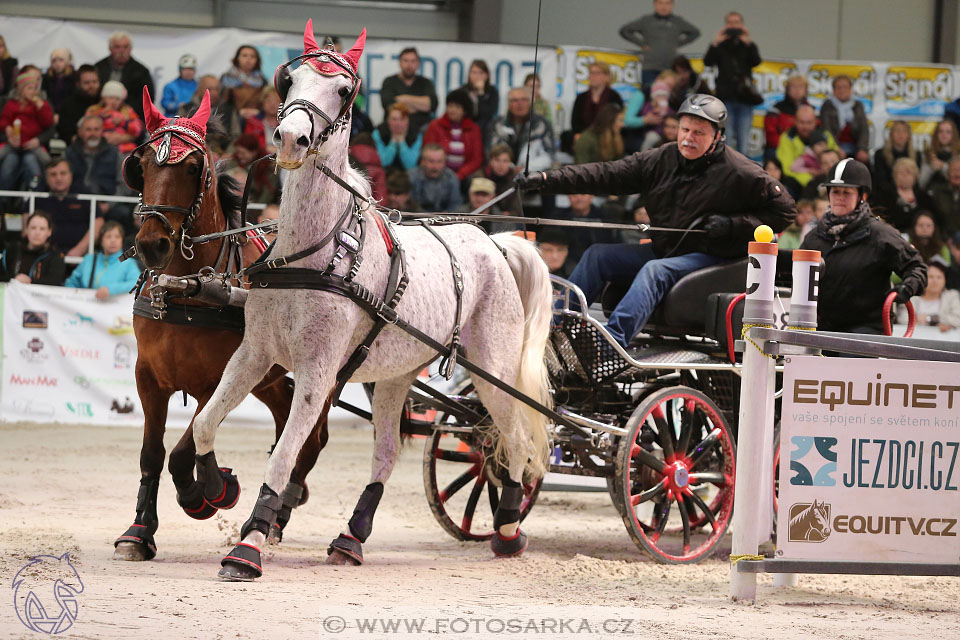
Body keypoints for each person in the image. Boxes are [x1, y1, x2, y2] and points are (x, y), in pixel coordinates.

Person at [516, 94, 795, 347]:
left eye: (699, 132)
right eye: (685, 130)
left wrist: (733, 225)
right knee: (597, 256)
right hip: (667, 249)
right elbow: (604, 173)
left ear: (718, 136)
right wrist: (544, 180)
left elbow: (785, 212)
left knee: (655, 270)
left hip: (711, 257)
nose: (689, 138)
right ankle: (551, 329)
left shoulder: (741, 171)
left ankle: (609, 346)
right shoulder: (660, 159)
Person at [799, 159, 926, 334]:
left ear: (862, 196)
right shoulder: (813, 238)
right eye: (835, 192)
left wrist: (908, 287)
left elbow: (916, 266)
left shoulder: (881, 235)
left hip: (865, 329)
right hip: (822, 327)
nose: (840, 198)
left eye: (847, 192)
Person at [703, 12, 761, 154]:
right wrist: (715, 43)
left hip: (745, 98)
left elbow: (756, 61)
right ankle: (728, 171)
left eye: (736, 22)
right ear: (725, 25)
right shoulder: (720, 45)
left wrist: (749, 43)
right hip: (725, 97)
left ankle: (744, 173)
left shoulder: (746, 45)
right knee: (726, 140)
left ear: (742, 25)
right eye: (730, 22)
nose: (733, 26)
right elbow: (707, 62)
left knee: (744, 141)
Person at [618, 0, 701, 87]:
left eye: (667, 3)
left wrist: (677, 44)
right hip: (650, 67)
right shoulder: (646, 20)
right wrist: (641, 44)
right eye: (660, 3)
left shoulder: (678, 21)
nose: (663, 6)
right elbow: (625, 30)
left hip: (671, 66)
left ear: (672, 5)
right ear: (655, 4)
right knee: (649, 94)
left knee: (671, 95)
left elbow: (695, 32)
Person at [0, 69, 54, 192]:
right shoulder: (12, 104)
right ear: (21, 90)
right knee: (6, 162)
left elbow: (48, 123)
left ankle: (42, 188)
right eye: (29, 88)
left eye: (35, 88)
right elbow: (4, 120)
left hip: (32, 144)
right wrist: (8, 130)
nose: (33, 92)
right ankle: (3, 198)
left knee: (46, 162)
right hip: (13, 143)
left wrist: (41, 107)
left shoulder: (41, 104)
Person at [35, 158, 102, 257]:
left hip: (82, 255)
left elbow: (98, 222)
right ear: (46, 178)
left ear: (71, 175)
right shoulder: (37, 197)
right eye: (53, 174)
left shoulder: (84, 194)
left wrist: (80, 249)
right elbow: (28, 226)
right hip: (45, 255)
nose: (58, 178)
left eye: (63, 173)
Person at [65, 220, 141, 300]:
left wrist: (111, 289)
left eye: (117, 237)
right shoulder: (89, 260)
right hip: (85, 309)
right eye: (108, 236)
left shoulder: (128, 263)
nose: (113, 240)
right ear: (101, 241)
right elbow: (71, 282)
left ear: (122, 240)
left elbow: (138, 284)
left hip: (116, 311)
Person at [487, 88, 555, 176]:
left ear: (530, 103)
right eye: (515, 100)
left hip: (533, 174)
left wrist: (526, 167)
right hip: (502, 174)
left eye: (524, 100)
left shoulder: (542, 125)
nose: (520, 104)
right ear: (509, 104)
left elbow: (549, 156)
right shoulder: (497, 124)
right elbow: (492, 152)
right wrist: (509, 167)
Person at [423, 89, 483, 183]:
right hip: (438, 172)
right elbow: (427, 152)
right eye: (450, 106)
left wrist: (460, 175)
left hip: (464, 176)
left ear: (465, 111)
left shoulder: (474, 129)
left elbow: (476, 160)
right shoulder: (435, 125)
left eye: (457, 107)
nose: (453, 110)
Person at [94, 31, 154, 120]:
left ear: (130, 49)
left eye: (125, 47)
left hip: (130, 118)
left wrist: (123, 111)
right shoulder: (98, 68)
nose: (122, 51)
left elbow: (148, 100)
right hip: (100, 116)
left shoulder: (141, 71)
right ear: (110, 48)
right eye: (117, 47)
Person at [379, 47, 438, 137]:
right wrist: (420, 105)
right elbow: (388, 104)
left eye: (413, 61)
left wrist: (403, 99)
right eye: (406, 61)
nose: (409, 65)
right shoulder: (390, 81)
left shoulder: (425, 82)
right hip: (394, 129)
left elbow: (432, 104)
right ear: (400, 62)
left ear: (418, 63)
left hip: (421, 129)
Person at [776, 104, 838, 188]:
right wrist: (811, 180)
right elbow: (786, 169)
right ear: (795, 121)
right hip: (798, 183)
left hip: (826, 179)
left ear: (815, 121)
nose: (805, 127)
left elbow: (835, 161)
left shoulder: (825, 135)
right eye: (802, 122)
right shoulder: (787, 138)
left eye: (809, 122)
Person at [0, 211, 65, 285]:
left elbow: (54, 281)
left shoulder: (55, 256)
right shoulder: (12, 250)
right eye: (33, 228)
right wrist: (14, 279)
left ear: (49, 232)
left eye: (42, 229)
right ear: (27, 229)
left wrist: (29, 281)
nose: (37, 233)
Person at [874, 157, 937, 232]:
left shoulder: (924, 197)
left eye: (908, 172)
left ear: (915, 176)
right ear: (895, 176)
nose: (904, 176)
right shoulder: (884, 195)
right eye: (901, 173)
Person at [819, 75, 870, 164]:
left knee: (864, 162)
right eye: (838, 87)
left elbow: (864, 129)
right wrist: (835, 148)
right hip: (835, 147)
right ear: (833, 90)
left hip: (855, 148)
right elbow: (826, 130)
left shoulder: (858, 105)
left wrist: (862, 149)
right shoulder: (827, 105)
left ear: (851, 89)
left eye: (845, 87)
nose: (842, 90)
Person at [897, 260, 960, 331]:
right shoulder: (911, 298)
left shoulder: (952, 296)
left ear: (945, 280)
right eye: (931, 277)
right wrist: (939, 323)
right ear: (923, 279)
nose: (935, 281)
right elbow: (903, 319)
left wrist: (930, 318)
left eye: (939, 277)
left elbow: (957, 319)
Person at [64, 114, 118, 196]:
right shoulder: (69, 153)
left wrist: (109, 204)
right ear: (80, 132)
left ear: (102, 131)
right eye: (88, 129)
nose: (93, 133)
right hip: (75, 201)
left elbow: (123, 184)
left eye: (96, 129)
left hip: (107, 201)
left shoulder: (115, 153)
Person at [85, 80, 143, 154]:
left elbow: (137, 130)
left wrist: (123, 123)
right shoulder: (93, 111)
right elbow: (85, 127)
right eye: (110, 98)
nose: (114, 101)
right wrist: (99, 117)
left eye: (117, 99)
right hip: (99, 148)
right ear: (103, 98)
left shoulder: (128, 112)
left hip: (125, 149)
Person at [872, 120, 922, 202]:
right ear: (891, 134)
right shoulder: (880, 154)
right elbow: (880, 181)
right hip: (886, 194)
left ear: (909, 135)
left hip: (911, 193)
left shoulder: (917, 155)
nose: (900, 134)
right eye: (897, 131)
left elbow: (916, 181)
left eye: (904, 131)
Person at [570, 62, 623, 137]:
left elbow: (616, 121)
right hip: (584, 135)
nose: (592, 76)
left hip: (606, 136)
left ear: (607, 77)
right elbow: (575, 122)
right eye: (591, 73)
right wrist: (580, 134)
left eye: (597, 73)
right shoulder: (581, 97)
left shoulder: (614, 97)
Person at [763, 74, 808, 161]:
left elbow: (814, 134)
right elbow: (771, 136)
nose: (797, 90)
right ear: (787, 90)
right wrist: (788, 146)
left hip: (803, 148)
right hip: (780, 147)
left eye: (800, 87)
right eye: (793, 87)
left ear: (806, 90)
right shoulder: (776, 109)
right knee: (772, 152)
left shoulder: (810, 110)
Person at [468, 143, 521, 215]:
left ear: (510, 163)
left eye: (505, 161)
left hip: (505, 219)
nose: (501, 165)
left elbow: (516, 209)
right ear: (490, 161)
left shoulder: (516, 180)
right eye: (497, 160)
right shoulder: (479, 177)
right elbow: (473, 203)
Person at [408, 144, 462, 212]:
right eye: (431, 161)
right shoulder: (411, 177)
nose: (435, 167)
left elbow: (455, 204)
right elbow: (411, 205)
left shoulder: (452, 177)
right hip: (418, 218)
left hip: (445, 219)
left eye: (439, 161)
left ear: (444, 162)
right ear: (422, 162)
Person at [57, 64, 101, 143]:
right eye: (87, 83)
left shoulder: (105, 102)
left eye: (95, 82)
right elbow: (65, 134)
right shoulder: (68, 106)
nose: (92, 86)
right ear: (78, 84)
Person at [373, 102, 422, 173]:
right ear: (388, 121)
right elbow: (382, 162)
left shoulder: (416, 134)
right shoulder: (378, 133)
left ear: (407, 121)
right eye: (394, 119)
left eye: (402, 119)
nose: (398, 123)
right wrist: (393, 143)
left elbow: (410, 165)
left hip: (408, 175)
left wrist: (402, 142)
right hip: (385, 173)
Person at [220, 45, 266, 120]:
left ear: (257, 60)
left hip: (257, 121)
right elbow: (221, 102)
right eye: (244, 55)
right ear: (237, 58)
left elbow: (266, 103)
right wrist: (237, 112)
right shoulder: (226, 78)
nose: (248, 59)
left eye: (252, 56)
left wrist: (258, 112)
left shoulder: (262, 81)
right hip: (230, 120)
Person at [459, 59, 498, 136]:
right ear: (469, 75)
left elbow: (489, 114)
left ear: (487, 75)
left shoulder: (492, 91)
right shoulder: (462, 91)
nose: (477, 76)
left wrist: (481, 93)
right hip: (465, 130)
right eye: (474, 72)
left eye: (481, 73)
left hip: (485, 131)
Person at [919, 119, 960, 188]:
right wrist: (931, 167)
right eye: (941, 131)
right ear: (936, 134)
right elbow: (921, 183)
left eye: (948, 132)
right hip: (931, 193)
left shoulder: (958, 153)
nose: (944, 135)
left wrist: (942, 166)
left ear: (954, 135)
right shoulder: (928, 153)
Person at [927, 157, 960, 238]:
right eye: (954, 170)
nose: (957, 174)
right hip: (941, 239)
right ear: (947, 174)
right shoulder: (937, 192)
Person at [42, 48, 75, 112]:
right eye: (54, 61)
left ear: (67, 62)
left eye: (61, 60)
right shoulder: (47, 78)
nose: (57, 63)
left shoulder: (73, 78)